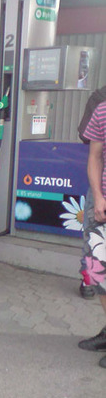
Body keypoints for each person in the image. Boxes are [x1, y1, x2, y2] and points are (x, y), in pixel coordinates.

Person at [78, 100, 106, 368]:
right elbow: (95, 156)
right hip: (102, 202)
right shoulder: (102, 109)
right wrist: (98, 196)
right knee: (97, 270)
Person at [78, 85, 106, 299]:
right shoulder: (100, 100)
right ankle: (89, 278)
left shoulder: (99, 95)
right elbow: (90, 142)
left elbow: (83, 134)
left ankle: (87, 279)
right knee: (95, 241)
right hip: (101, 186)